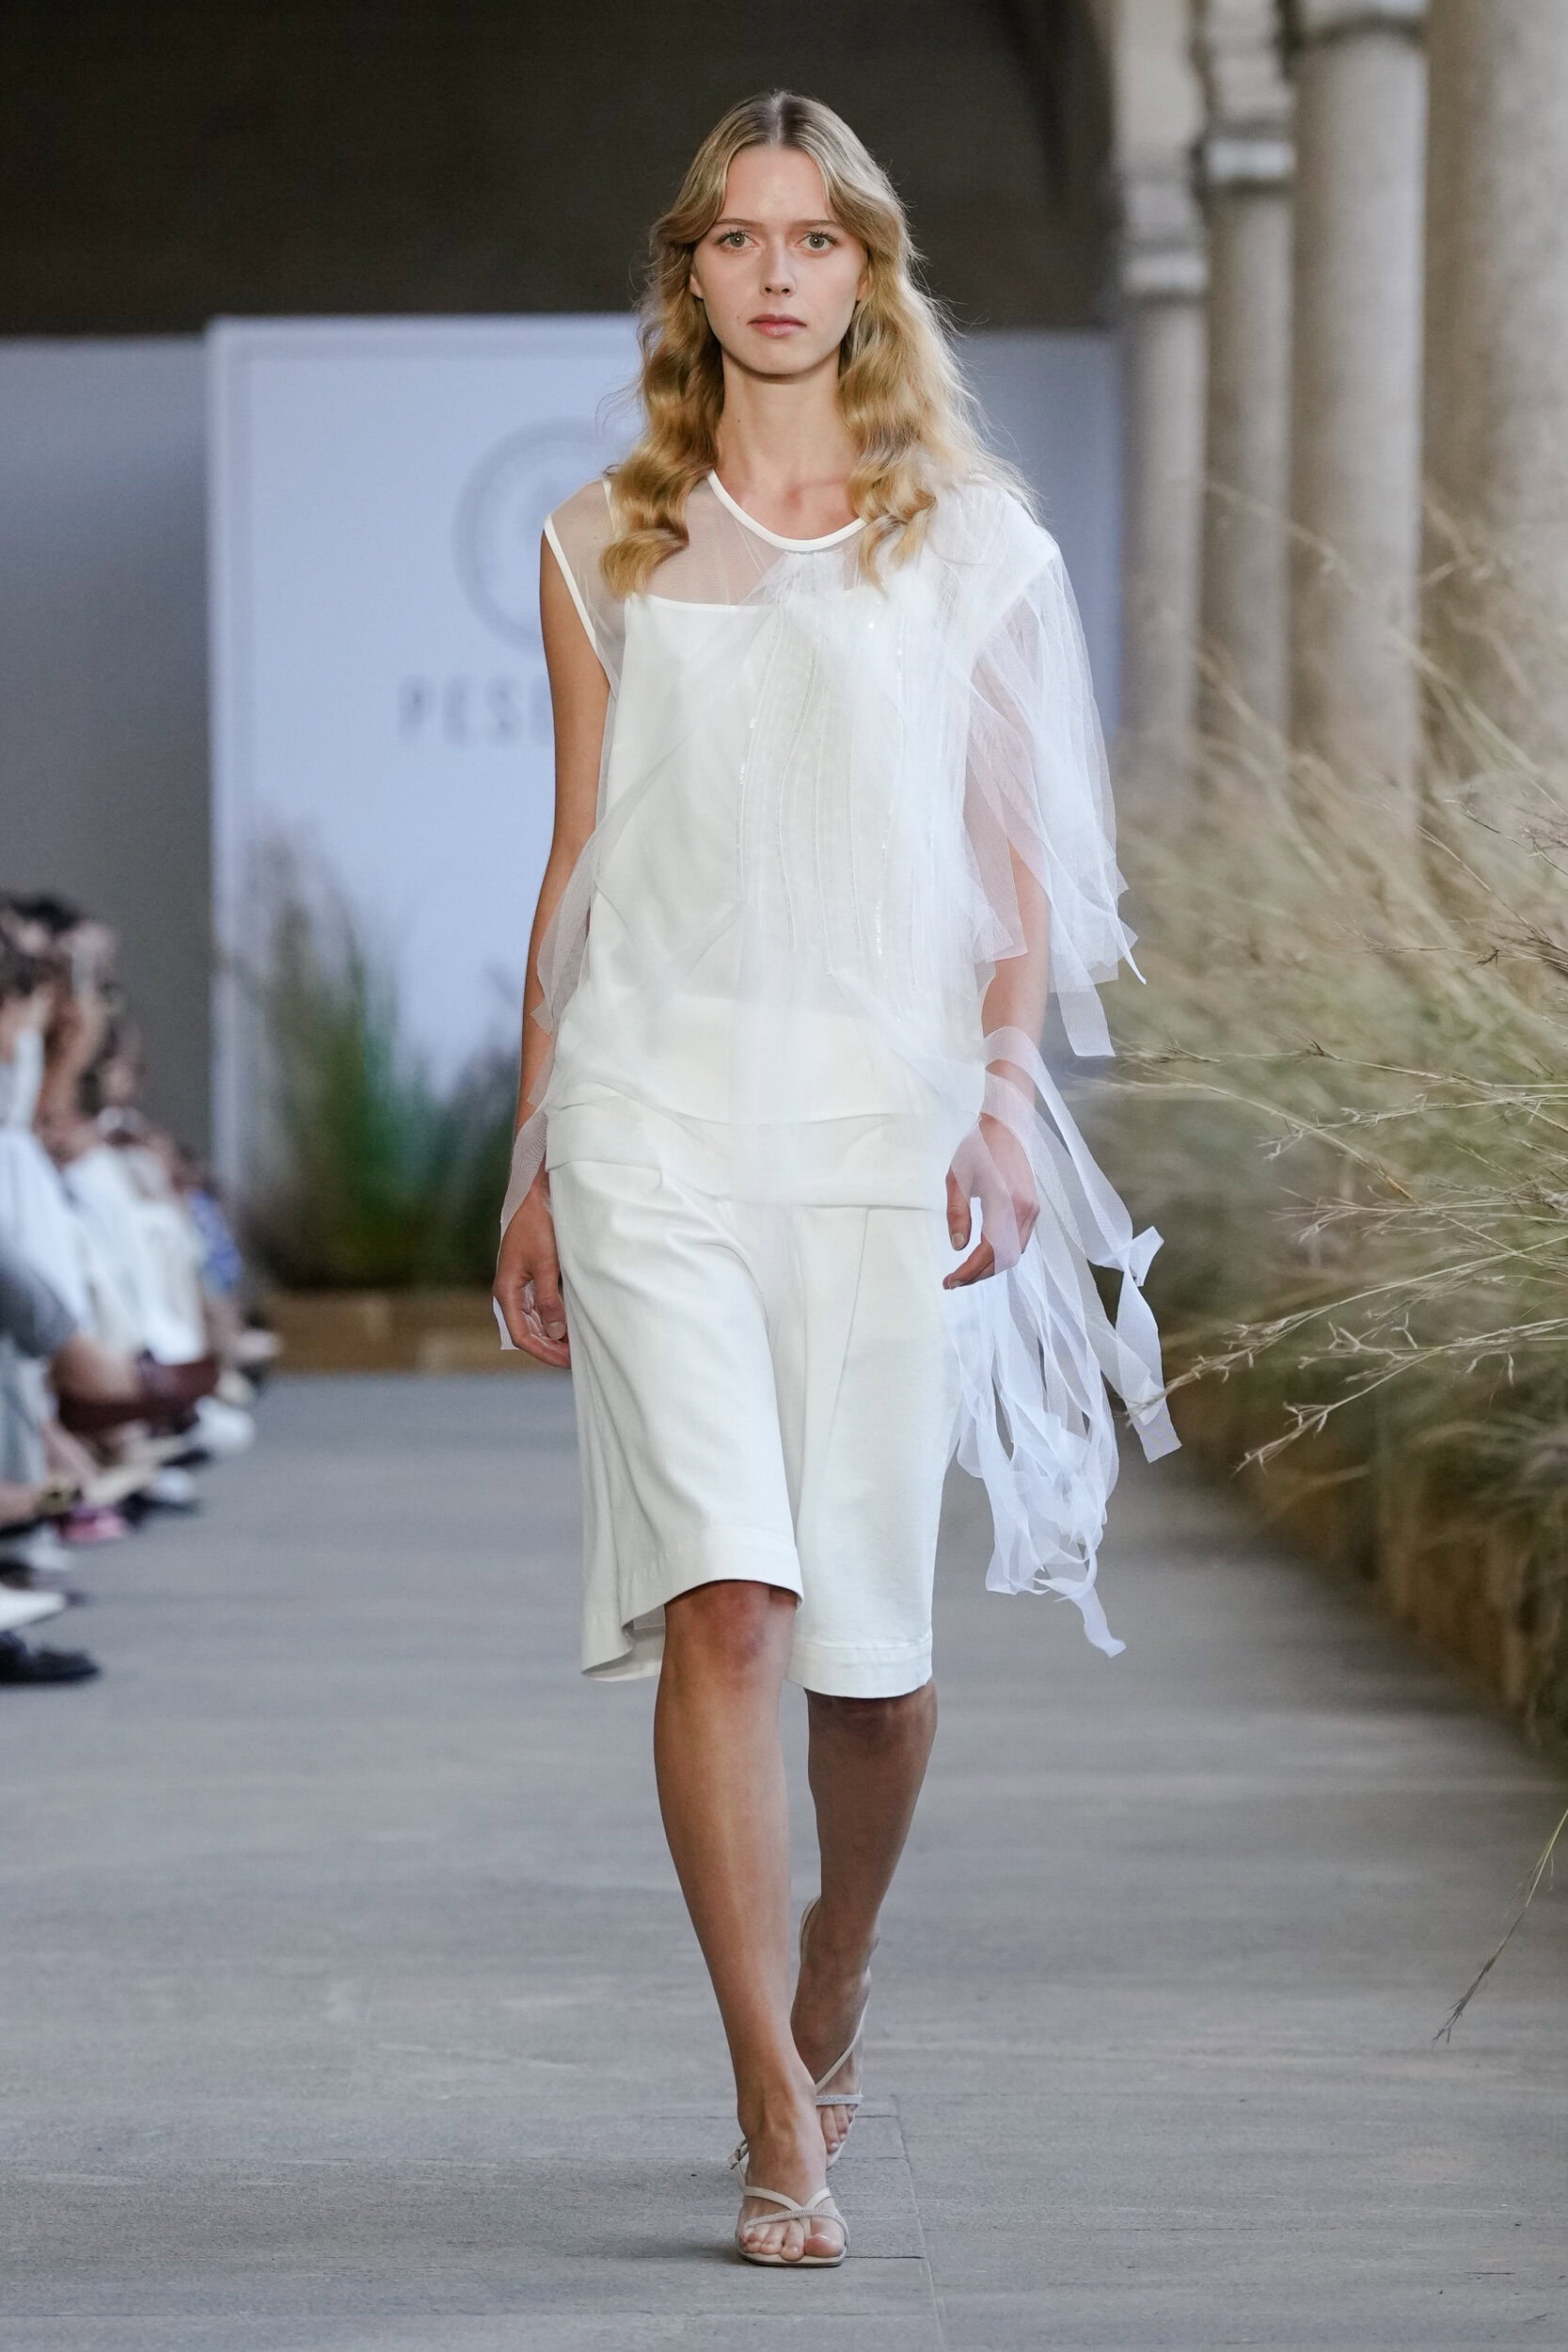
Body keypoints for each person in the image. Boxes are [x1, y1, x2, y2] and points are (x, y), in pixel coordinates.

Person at [494, 91, 1178, 2268]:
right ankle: (771, 2098)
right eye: (737, 236)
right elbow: (579, 856)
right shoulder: (596, 538)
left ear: (867, 269)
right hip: (651, 1111)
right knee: (728, 1599)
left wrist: (1004, 1086)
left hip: (884, 1120)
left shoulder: (971, 545)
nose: (775, 272)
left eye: (814, 237)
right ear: (688, 272)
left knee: (867, 1665)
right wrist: (533, 1145)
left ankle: (841, 1960)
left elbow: (1011, 860)